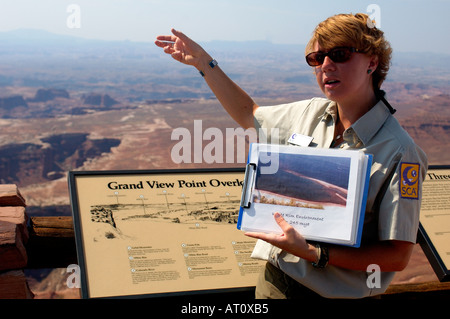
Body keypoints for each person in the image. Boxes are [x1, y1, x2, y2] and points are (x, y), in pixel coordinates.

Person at [155, 13, 428, 299]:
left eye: (340, 54)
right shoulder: (310, 113)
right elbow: (250, 114)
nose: (326, 66)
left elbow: (397, 256)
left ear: (372, 62)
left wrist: (315, 254)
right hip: (276, 283)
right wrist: (204, 63)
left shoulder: (400, 152)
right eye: (316, 58)